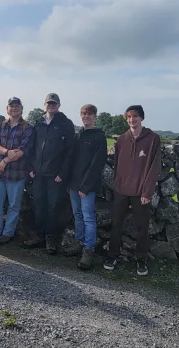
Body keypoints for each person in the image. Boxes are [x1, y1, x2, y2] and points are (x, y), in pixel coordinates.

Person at [103, 105, 161, 276]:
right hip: (121, 189)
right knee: (116, 225)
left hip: (140, 192)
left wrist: (147, 192)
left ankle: (141, 259)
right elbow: (117, 165)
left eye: (135, 116)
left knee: (142, 227)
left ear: (142, 118)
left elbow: (154, 166)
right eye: (128, 117)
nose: (131, 120)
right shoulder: (121, 139)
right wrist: (116, 185)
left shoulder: (152, 139)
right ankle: (112, 255)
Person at [24, 93, 76, 255]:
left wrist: (62, 173)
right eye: (49, 103)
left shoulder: (66, 124)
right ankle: (39, 235)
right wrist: (30, 168)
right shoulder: (38, 123)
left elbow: (70, 151)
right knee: (39, 204)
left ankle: (50, 239)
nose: (51, 105)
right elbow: (31, 147)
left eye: (54, 103)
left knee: (53, 206)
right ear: (44, 104)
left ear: (59, 106)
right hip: (38, 173)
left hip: (55, 175)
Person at [0, 97, 33, 245]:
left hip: (17, 174)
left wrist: (5, 159)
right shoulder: (0, 126)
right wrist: (6, 152)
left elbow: (23, 150)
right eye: (11, 106)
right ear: (7, 109)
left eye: (17, 106)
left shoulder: (28, 128)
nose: (14, 108)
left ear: (22, 109)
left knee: (13, 205)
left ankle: (8, 233)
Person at [65, 104, 107, 270]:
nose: (86, 117)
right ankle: (80, 243)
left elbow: (97, 164)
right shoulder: (79, 134)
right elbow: (73, 160)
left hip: (87, 185)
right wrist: (70, 183)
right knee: (77, 214)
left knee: (88, 217)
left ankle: (89, 250)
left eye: (89, 114)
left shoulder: (99, 137)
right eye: (83, 114)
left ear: (95, 116)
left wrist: (86, 185)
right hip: (74, 184)